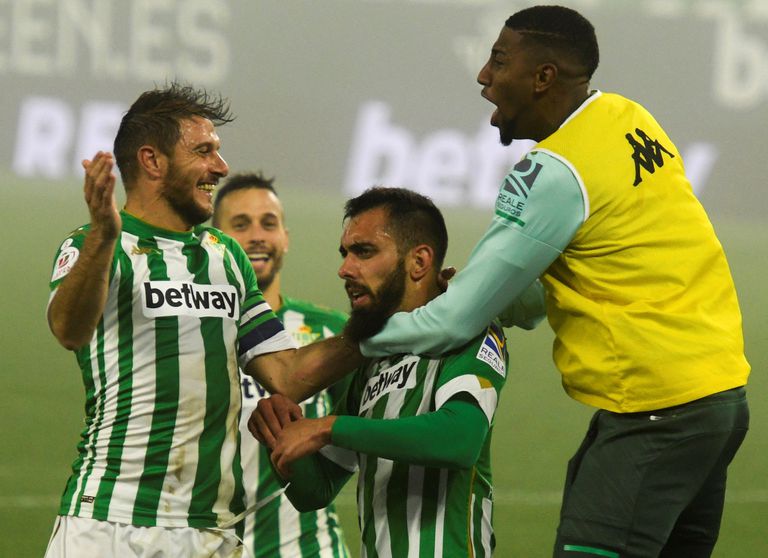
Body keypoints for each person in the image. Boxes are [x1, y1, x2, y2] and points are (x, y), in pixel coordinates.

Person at [352, 6, 750, 558]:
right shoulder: (627, 116)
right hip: (719, 401)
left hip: (657, 412)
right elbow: (556, 286)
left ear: (542, 77)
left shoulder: (554, 171)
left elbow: (452, 324)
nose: (483, 76)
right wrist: (488, 293)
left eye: (499, 61)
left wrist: (352, 343)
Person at [44, 82, 361, 558]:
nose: (221, 166)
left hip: (207, 530)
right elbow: (69, 330)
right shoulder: (96, 245)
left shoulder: (225, 257)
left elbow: (287, 374)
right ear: (153, 161)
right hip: (110, 522)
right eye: (204, 151)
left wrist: (386, 324)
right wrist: (104, 237)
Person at [252, 187, 510, 558]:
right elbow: (316, 490)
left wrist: (327, 427)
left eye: (364, 251)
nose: (345, 269)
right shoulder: (371, 357)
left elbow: (460, 438)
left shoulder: (471, 332)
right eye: (345, 253)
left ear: (419, 261)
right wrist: (279, 434)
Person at [212, 173, 351, 558]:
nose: (257, 236)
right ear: (213, 240)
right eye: (241, 225)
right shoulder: (189, 335)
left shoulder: (331, 335)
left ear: (285, 237)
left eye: (268, 223)